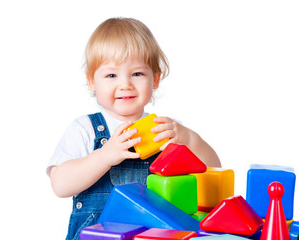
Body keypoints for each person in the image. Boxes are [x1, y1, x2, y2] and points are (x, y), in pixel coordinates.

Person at [47, 17, 221, 240]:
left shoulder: (165, 129)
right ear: (92, 81)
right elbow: (60, 185)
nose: (125, 84)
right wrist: (105, 156)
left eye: (137, 74)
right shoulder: (85, 129)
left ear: (155, 79)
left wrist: (189, 138)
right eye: (111, 75)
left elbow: (213, 169)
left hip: (154, 234)